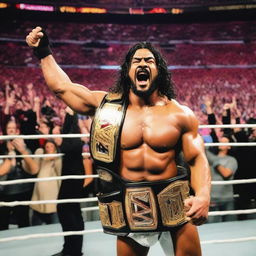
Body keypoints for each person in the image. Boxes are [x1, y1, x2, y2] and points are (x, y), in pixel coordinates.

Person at [26, 27, 211, 256]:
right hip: (130, 202)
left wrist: (203, 195)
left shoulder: (180, 114)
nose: (142, 63)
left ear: (158, 70)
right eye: (136, 60)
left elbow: (197, 158)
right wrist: (43, 51)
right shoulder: (106, 107)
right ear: (128, 71)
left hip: (174, 202)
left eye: (149, 60)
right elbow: (62, 88)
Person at [51, 107, 94, 256]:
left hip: (75, 175)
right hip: (71, 174)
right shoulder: (77, 132)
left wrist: (71, 115)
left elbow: (69, 144)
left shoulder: (84, 134)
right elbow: (68, 138)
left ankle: (73, 250)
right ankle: (71, 249)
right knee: (69, 210)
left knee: (68, 210)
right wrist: (69, 117)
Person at [0, 119, 38, 230]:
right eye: (9, 128)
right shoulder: (1, 148)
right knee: (2, 223)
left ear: (17, 131)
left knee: (24, 222)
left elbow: (34, 170)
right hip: (4, 193)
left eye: (13, 128)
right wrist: (10, 154)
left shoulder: (25, 147)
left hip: (23, 191)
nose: (11, 130)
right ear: (6, 131)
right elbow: (1, 171)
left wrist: (22, 151)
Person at [206, 136, 238, 223]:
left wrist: (215, 161)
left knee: (230, 226)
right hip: (212, 199)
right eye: (220, 140)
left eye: (224, 141)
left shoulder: (231, 160)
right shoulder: (208, 159)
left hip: (227, 199)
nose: (221, 142)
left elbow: (226, 174)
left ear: (229, 146)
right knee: (212, 228)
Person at [30, 139, 62, 225]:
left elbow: (60, 172)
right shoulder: (41, 155)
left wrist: (55, 157)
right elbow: (34, 168)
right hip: (39, 200)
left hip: (53, 201)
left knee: (55, 227)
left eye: (51, 146)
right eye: (47, 147)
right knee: (35, 227)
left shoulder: (59, 159)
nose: (49, 148)